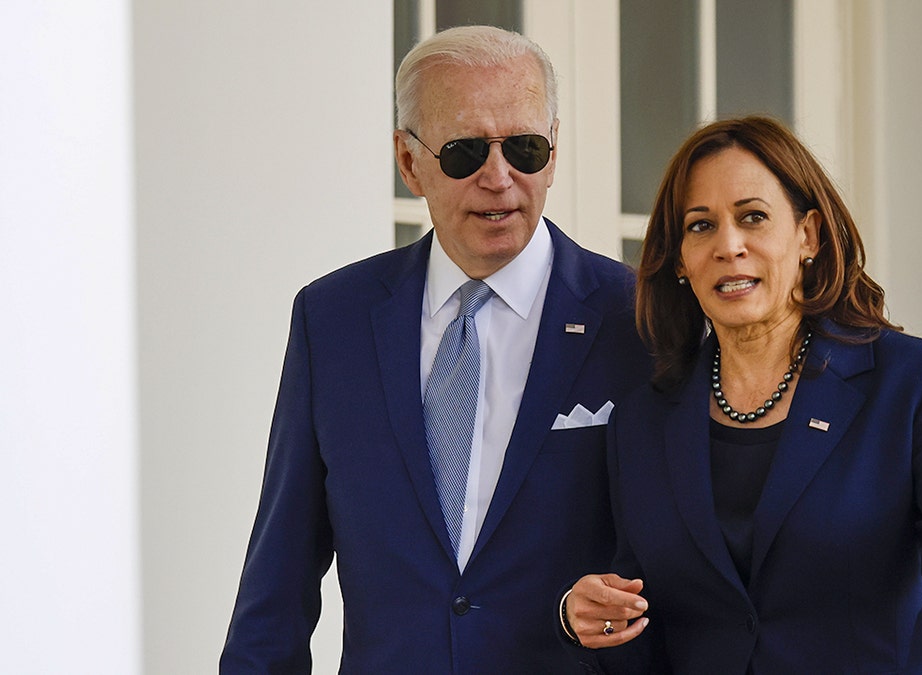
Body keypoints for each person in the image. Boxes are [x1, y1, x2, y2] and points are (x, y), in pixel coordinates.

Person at [220, 26, 651, 673]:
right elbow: (275, 587)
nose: (500, 177)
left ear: (555, 151)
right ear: (408, 160)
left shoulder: (637, 318)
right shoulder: (331, 320)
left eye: (526, 148)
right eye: (465, 152)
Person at [562, 116, 922, 673]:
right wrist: (587, 618)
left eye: (753, 217)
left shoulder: (918, 385)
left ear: (809, 236)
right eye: (700, 226)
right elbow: (641, 616)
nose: (729, 246)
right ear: (681, 260)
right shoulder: (642, 421)